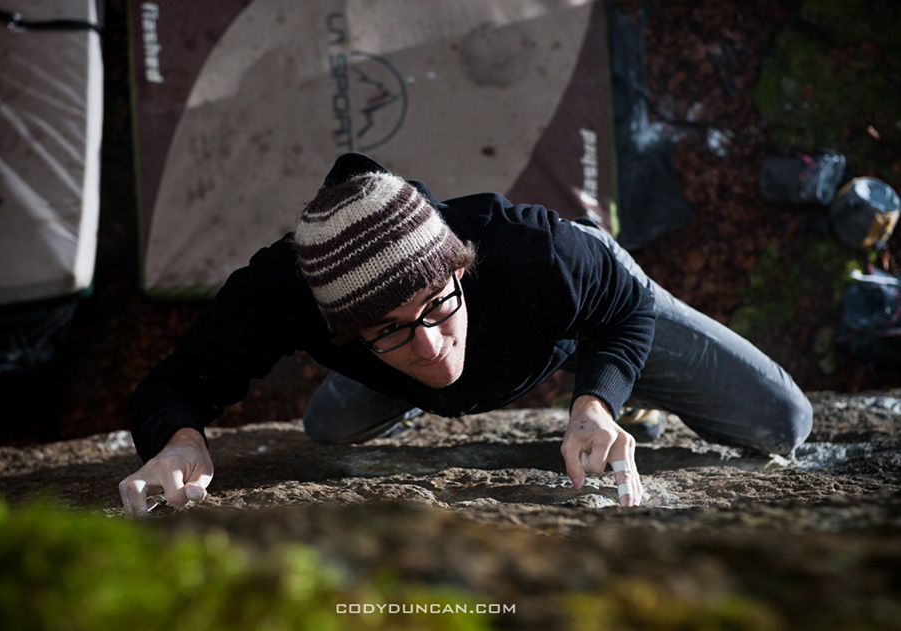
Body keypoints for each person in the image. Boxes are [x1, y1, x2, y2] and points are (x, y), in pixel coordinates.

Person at [118, 152, 813, 517]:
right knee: (328, 431)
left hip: (585, 320)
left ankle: (625, 401)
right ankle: (393, 372)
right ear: (337, 325)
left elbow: (624, 308)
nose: (428, 345)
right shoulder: (287, 292)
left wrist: (596, 400)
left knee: (783, 421)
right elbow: (178, 379)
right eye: (385, 329)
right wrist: (180, 442)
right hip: (399, 379)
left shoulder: (541, 255)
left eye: (434, 306)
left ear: (460, 266)